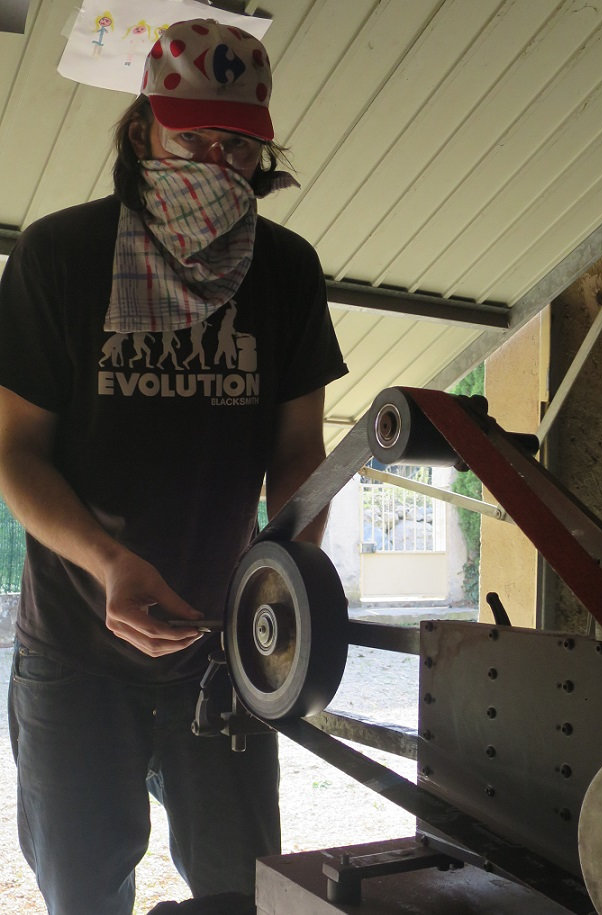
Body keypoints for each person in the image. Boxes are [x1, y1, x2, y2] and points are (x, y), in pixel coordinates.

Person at [0, 18, 347, 915]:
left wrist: (284, 581)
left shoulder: (284, 270)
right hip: (75, 649)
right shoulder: (59, 256)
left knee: (242, 891)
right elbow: (14, 453)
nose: (217, 164)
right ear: (142, 126)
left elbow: (298, 455)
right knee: (82, 893)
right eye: (193, 139)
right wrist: (109, 561)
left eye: (240, 147)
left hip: (223, 650)